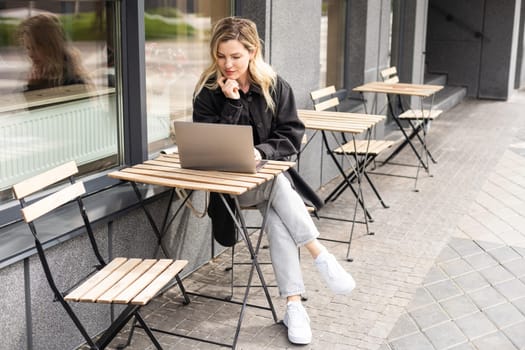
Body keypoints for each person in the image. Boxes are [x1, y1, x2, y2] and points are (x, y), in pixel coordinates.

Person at [192, 17, 356, 345]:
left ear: (253, 52)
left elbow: (292, 136)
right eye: (221, 56)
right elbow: (210, 146)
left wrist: (259, 152)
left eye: (235, 56)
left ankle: (294, 307)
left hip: (268, 186)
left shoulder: (275, 86)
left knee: (278, 212)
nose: (227, 64)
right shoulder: (209, 92)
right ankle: (319, 253)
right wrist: (233, 104)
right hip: (229, 190)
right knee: (280, 185)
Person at [17, 13, 91, 91]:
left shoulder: (71, 80)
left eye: (36, 48)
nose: (30, 54)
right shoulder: (40, 76)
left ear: (51, 46)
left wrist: (34, 88)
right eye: (28, 48)